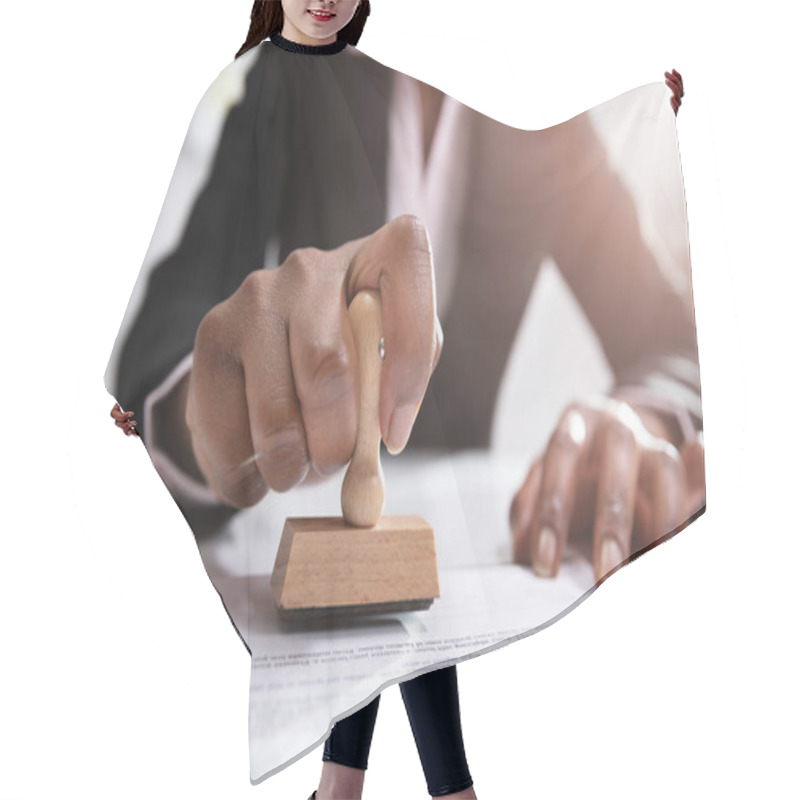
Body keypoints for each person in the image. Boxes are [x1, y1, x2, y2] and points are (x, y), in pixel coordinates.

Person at [109, 1, 696, 797]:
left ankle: (349, 790)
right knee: (386, 600)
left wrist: (641, 412)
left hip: (449, 491)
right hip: (316, 481)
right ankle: (435, 791)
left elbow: (659, 334)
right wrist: (181, 412)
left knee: (402, 602)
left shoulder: (469, 119)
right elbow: (174, 331)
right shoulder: (255, 94)